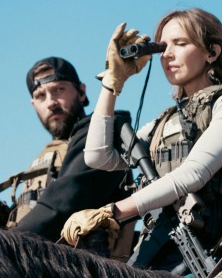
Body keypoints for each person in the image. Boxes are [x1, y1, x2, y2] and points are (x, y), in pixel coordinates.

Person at [61, 8, 222, 274]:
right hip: (156, 254)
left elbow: (193, 174)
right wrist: (112, 82)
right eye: (162, 47)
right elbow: (97, 156)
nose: (168, 54)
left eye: (180, 44)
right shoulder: (162, 123)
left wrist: (112, 212)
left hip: (219, 255)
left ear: (212, 53)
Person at [0, 56, 134, 260]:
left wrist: (8, 247)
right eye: (40, 96)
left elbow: (63, 204)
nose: (51, 103)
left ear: (81, 92)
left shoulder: (102, 136)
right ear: (33, 104)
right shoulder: (46, 157)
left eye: (58, 90)